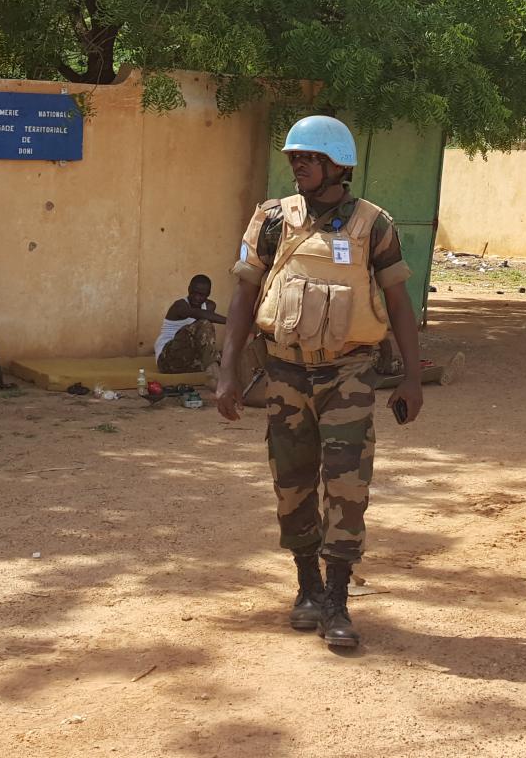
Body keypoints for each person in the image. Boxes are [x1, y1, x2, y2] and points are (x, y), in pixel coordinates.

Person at [215, 115, 422, 650]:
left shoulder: (374, 226)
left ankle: (337, 602)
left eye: (309, 158)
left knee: (348, 487)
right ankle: (306, 587)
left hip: (349, 373)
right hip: (284, 371)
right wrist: (228, 370)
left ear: (338, 166)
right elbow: (243, 296)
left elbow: (399, 303)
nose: (299, 166)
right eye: (294, 158)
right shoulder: (270, 220)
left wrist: (411, 377)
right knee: (292, 484)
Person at [155, 275, 225, 380]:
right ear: (188, 289)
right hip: (167, 360)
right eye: (194, 293)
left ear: (208, 294)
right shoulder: (180, 306)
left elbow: (204, 338)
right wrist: (232, 321)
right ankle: (214, 375)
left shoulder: (210, 306)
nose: (197, 297)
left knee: (228, 357)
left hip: (189, 362)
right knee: (204, 324)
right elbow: (197, 313)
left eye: (201, 295)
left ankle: (214, 372)